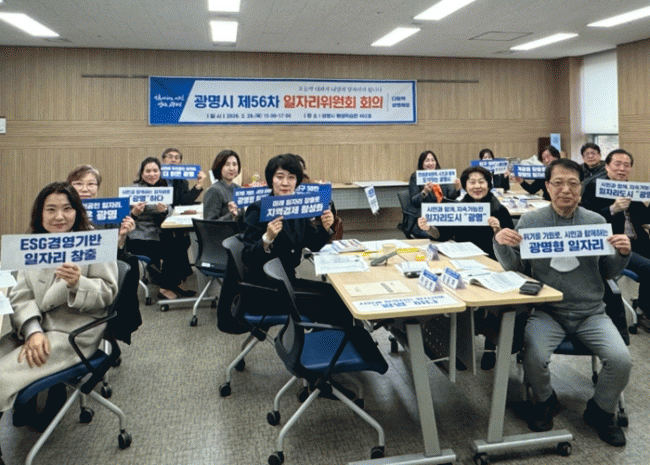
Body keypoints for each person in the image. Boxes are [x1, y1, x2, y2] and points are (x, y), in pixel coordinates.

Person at [494, 158, 632, 446]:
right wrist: (501, 244)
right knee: (534, 357)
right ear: (547, 186)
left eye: (573, 183)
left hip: (591, 312)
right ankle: (546, 401)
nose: (565, 190)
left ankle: (601, 410)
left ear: (581, 187)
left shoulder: (596, 222)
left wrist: (622, 254)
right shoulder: (530, 222)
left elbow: (608, 272)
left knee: (621, 360)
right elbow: (516, 269)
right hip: (547, 311)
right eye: (558, 183)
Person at [0, 182, 118, 437]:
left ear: (77, 211)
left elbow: (108, 293)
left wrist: (78, 283)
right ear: (40, 214)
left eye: (67, 208)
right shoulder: (33, 244)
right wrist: (33, 330)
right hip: (32, 327)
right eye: (51, 209)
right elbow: (21, 296)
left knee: (1, 376)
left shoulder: (93, 242)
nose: (59, 216)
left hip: (72, 332)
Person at [241, 154, 349, 326]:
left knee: (339, 295)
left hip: (288, 282)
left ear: (297, 181)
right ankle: (330, 340)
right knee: (333, 301)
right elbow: (247, 257)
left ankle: (332, 339)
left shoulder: (296, 207)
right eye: (280, 177)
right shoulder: (258, 209)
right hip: (266, 289)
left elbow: (312, 244)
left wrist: (325, 228)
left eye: (291, 177)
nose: (285, 183)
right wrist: (267, 239)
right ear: (271, 180)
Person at [582, 149, 650, 331]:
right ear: (606, 166)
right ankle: (644, 310)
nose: (622, 169)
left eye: (626, 165)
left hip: (638, 241)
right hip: (614, 245)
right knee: (649, 268)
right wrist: (613, 209)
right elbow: (587, 221)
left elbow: (644, 217)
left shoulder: (630, 187)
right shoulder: (594, 187)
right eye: (617, 164)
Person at [418, 165, 513, 259]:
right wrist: (428, 228)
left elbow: (512, 246)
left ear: (488, 185)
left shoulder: (500, 210)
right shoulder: (459, 209)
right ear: (465, 186)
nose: (477, 186)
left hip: (493, 260)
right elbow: (443, 235)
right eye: (472, 182)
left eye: (481, 182)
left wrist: (498, 230)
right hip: (464, 259)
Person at [126, 157, 178, 300]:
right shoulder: (133, 190)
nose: (152, 174)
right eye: (148, 171)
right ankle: (165, 287)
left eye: (155, 171)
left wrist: (164, 211)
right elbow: (124, 217)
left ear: (160, 173)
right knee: (173, 249)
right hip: (138, 236)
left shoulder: (162, 189)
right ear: (141, 173)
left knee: (179, 243)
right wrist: (135, 212)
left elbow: (170, 211)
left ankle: (171, 280)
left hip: (158, 233)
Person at [160, 148, 207, 296]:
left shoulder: (182, 181)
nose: (173, 160)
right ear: (163, 160)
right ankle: (169, 285)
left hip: (172, 222)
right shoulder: (157, 178)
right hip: (157, 223)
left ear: (180, 162)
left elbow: (184, 202)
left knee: (183, 240)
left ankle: (177, 280)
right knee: (176, 242)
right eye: (170, 157)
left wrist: (198, 185)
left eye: (177, 158)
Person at [66, 164, 135, 255]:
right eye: (78, 184)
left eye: (91, 184)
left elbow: (116, 254)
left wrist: (122, 236)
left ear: (97, 187)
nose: (85, 189)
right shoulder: (62, 213)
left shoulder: (109, 213)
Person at [202, 149, 244, 228]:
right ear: (219, 166)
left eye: (234, 164)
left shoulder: (238, 188)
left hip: (240, 232)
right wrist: (231, 215)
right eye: (227, 164)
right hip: (224, 234)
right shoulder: (214, 190)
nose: (231, 168)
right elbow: (209, 224)